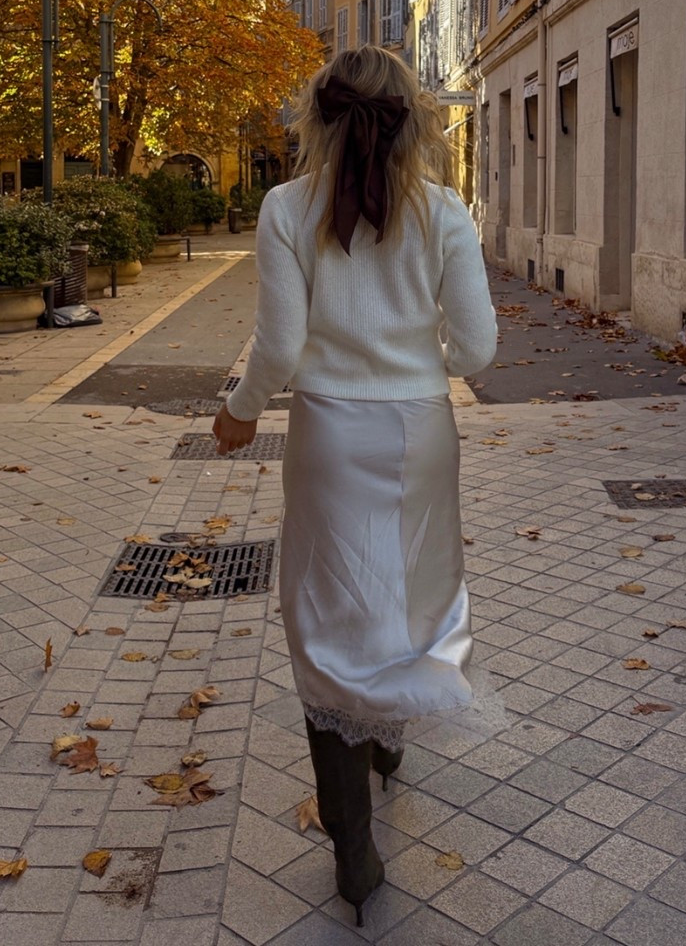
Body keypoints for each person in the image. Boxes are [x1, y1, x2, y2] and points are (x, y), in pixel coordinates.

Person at [212, 46, 497, 924]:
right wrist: (417, 359)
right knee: (409, 590)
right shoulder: (443, 211)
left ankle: (353, 844)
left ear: (320, 118)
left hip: (331, 432)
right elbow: (479, 349)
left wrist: (239, 412)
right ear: (411, 119)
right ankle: (388, 738)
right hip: (421, 430)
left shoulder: (286, 207)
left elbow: (279, 345)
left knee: (329, 614)